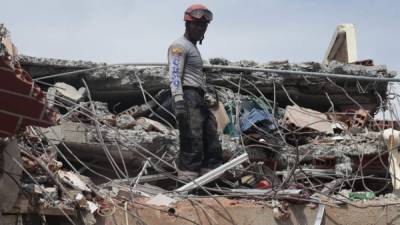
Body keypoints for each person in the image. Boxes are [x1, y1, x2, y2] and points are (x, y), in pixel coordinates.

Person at [167, 4, 223, 180]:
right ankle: (187, 186)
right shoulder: (179, 46)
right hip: (188, 96)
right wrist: (179, 101)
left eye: (203, 26)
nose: (200, 28)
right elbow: (175, 74)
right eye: (197, 25)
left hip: (198, 98)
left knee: (211, 141)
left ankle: (210, 182)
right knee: (192, 141)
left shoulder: (193, 47)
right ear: (187, 24)